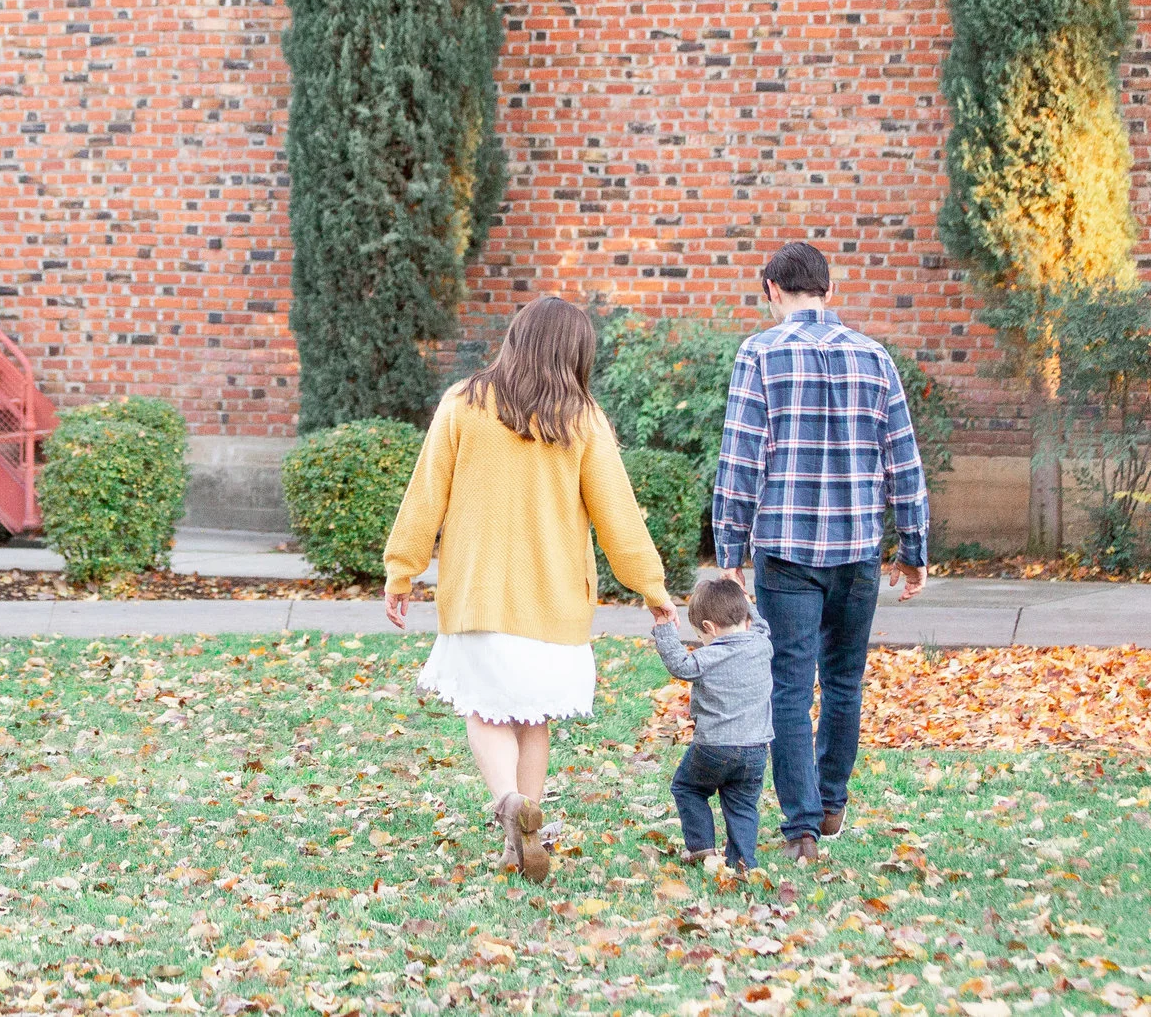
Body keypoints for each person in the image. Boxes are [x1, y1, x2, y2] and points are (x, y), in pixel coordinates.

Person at [382, 294, 677, 883]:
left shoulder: (462, 404)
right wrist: (652, 587)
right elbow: (618, 514)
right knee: (533, 717)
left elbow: (425, 494)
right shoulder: (582, 419)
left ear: (515, 338)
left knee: (485, 710)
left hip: (478, 594)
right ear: (575, 353)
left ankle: (508, 806)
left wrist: (402, 569)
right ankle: (527, 825)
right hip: (555, 599)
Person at [713, 241, 929, 865]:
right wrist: (912, 547)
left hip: (786, 550)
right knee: (842, 680)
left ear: (772, 290)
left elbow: (740, 457)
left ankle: (801, 827)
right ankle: (831, 803)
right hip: (858, 548)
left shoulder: (759, 354)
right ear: (828, 292)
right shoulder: (874, 357)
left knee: (789, 682)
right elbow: (904, 461)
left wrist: (730, 544)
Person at [651, 574, 773, 872]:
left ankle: (702, 848)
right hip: (757, 748)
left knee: (688, 788)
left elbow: (680, 664)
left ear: (708, 628)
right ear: (746, 618)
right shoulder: (762, 645)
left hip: (714, 746)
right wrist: (746, 602)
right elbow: (761, 625)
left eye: (700, 634)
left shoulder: (710, 655)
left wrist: (665, 628)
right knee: (742, 804)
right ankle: (743, 860)